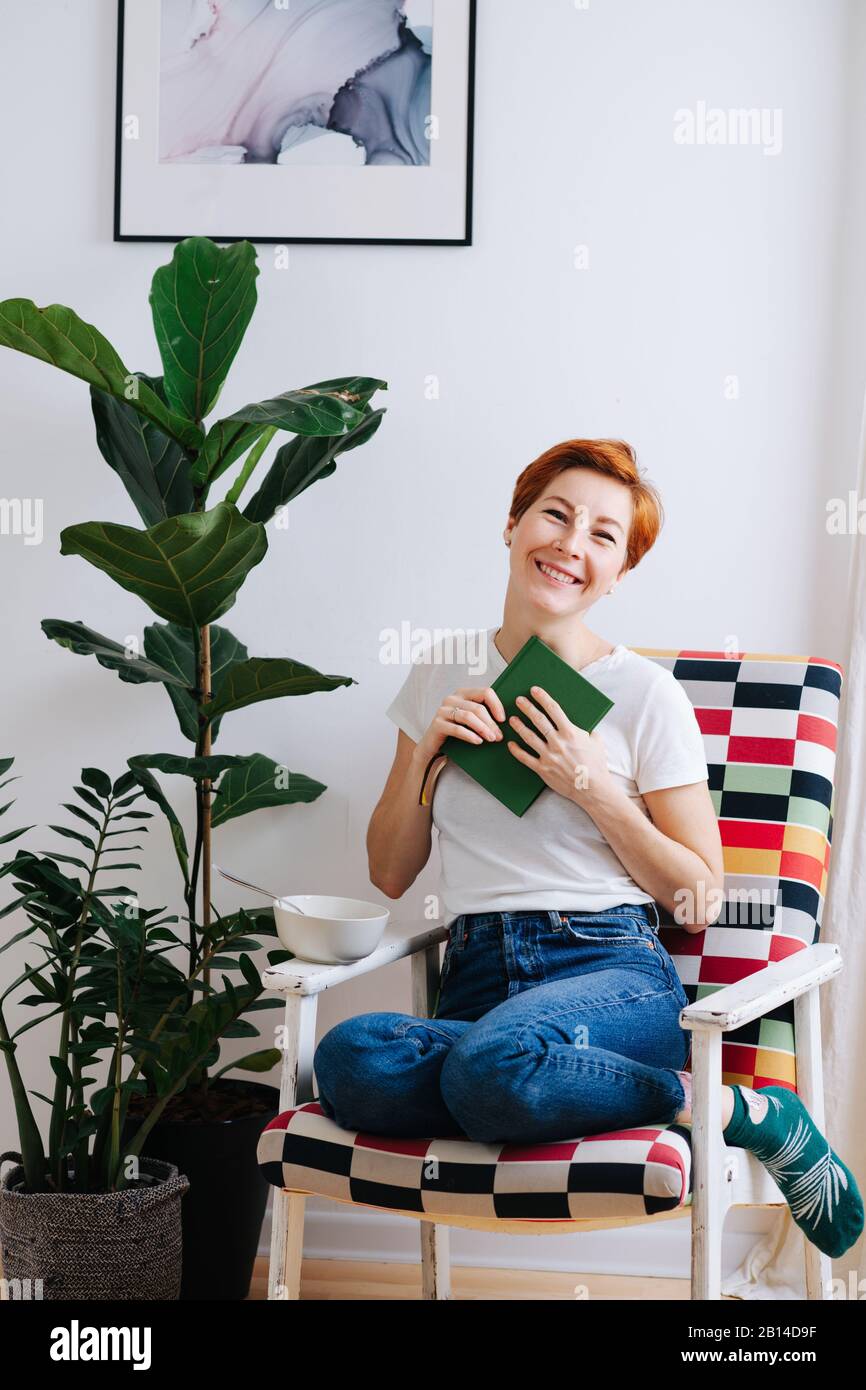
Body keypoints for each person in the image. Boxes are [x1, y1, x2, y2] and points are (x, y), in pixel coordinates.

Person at [314, 438, 863, 1259]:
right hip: (476, 975)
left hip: (609, 971)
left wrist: (594, 787)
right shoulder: (441, 672)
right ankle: (541, 1083)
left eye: (603, 536)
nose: (571, 545)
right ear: (512, 524)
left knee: (487, 1070)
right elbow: (389, 871)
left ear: (618, 574)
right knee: (350, 1057)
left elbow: (698, 898)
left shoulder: (644, 695)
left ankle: (745, 1109)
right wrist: (426, 756)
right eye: (556, 515)